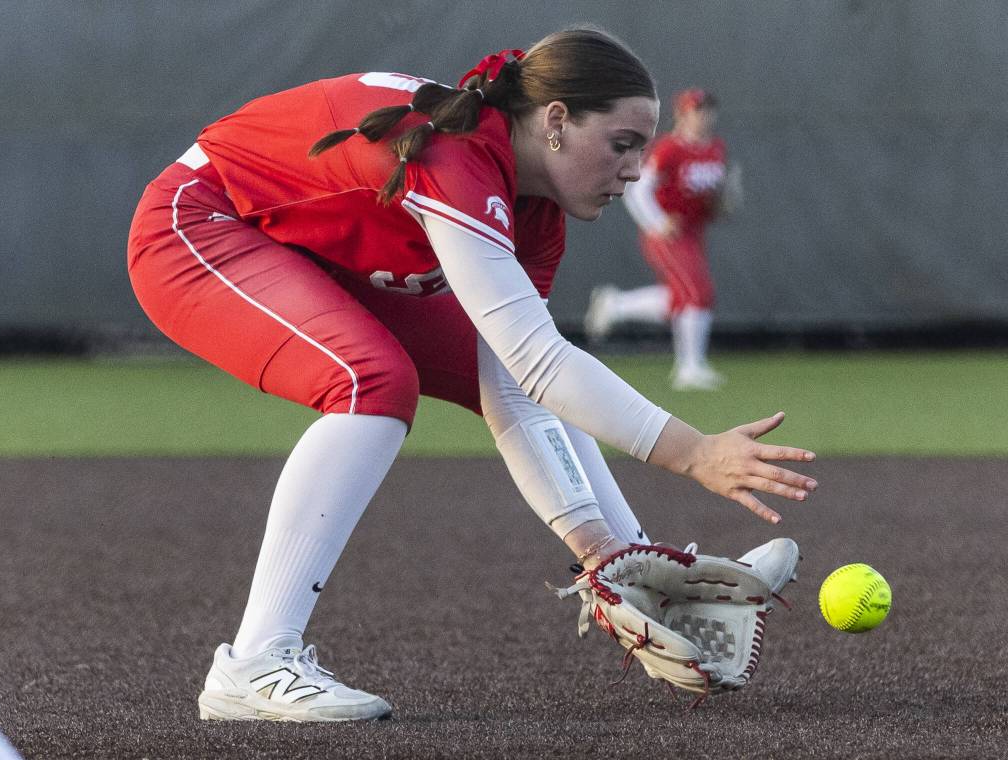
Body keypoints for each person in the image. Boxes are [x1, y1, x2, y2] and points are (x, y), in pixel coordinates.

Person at [127, 28, 816, 723]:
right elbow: (543, 364)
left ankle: (635, 574)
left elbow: (518, 380)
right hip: (201, 224)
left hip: (312, 253)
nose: (636, 170)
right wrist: (694, 451)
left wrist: (606, 554)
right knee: (372, 382)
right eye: (621, 143)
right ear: (554, 122)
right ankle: (254, 662)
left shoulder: (535, 209)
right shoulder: (457, 156)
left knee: (482, 375)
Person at [585, 88, 740, 391]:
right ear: (681, 114)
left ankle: (617, 305)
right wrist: (656, 223)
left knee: (686, 297)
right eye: (696, 110)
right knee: (696, 292)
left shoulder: (715, 148)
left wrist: (719, 205)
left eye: (708, 110)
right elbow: (636, 189)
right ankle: (689, 368)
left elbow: (711, 197)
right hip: (668, 234)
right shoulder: (669, 148)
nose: (703, 116)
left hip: (694, 233)